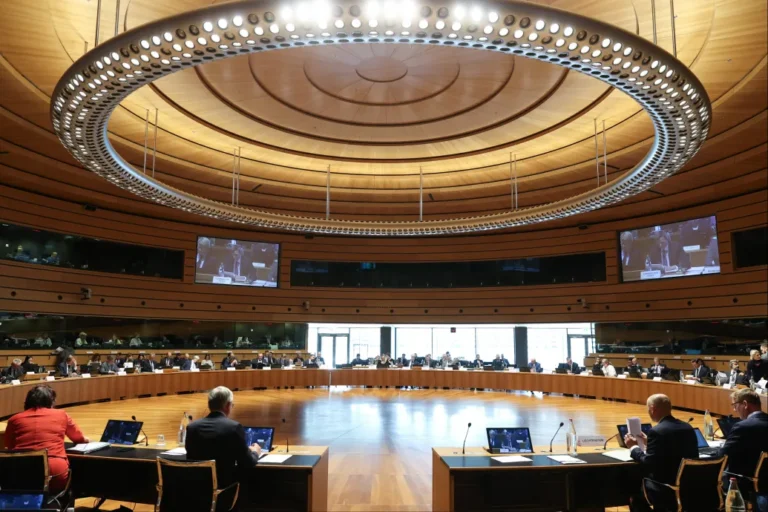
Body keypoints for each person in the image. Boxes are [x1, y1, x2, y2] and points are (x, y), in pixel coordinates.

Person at [5, 385, 89, 492]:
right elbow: (78, 438)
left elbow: (10, 447)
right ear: (51, 401)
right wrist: (87, 440)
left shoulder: (14, 419)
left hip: (21, 473)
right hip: (54, 473)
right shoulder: (61, 415)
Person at [624, 394, 699, 512]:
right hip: (689, 487)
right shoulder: (687, 427)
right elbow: (673, 448)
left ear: (653, 409)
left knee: (633, 492)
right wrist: (649, 442)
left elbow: (649, 463)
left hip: (666, 489)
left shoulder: (657, 431)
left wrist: (633, 447)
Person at [185, 386, 261, 490]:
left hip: (194, 489)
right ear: (228, 405)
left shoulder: (192, 427)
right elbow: (247, 462)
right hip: (224, 490)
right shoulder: (233, 428)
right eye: (232, 405)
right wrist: (255, 452)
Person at [717, 389, 768, 510]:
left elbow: (722, 457)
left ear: (745, 404)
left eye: (735, 405)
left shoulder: (742, 427)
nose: (735, 410)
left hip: (749, 485)